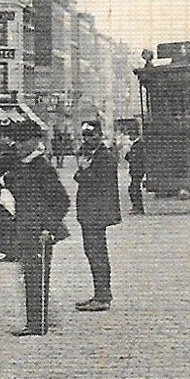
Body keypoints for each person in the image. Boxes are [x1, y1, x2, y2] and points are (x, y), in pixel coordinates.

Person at [2, 134, 70, 336]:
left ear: (32, 142)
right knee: (30, 276)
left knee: (36, 276)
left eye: (22, 141)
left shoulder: (42, 167)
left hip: (40, 232)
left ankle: (37, 324)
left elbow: (62, 200)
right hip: (26, 229)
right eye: (17, 142)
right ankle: (38, 319)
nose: (18, 145)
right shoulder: (23, 166)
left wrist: (48, 228)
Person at [73, 121, 122, 311]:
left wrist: (83, 171)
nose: (87, 139)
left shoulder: (104, 157)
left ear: (99, 135)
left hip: (97, 213)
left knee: (97, 253)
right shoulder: (92, 155)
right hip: (90, 213)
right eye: (85, 135)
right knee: (93, 252)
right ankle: (100, 293)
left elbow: (95, 182)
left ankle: (103, 296)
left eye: (91, 135)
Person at [124, 138, 149, 214]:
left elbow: (134, 158)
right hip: (136, 170)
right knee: (133, 188)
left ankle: (137, 207)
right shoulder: (137, 144)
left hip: (137, 170)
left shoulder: (138, 145)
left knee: (134, 189)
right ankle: (137, 207)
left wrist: (129, 154)